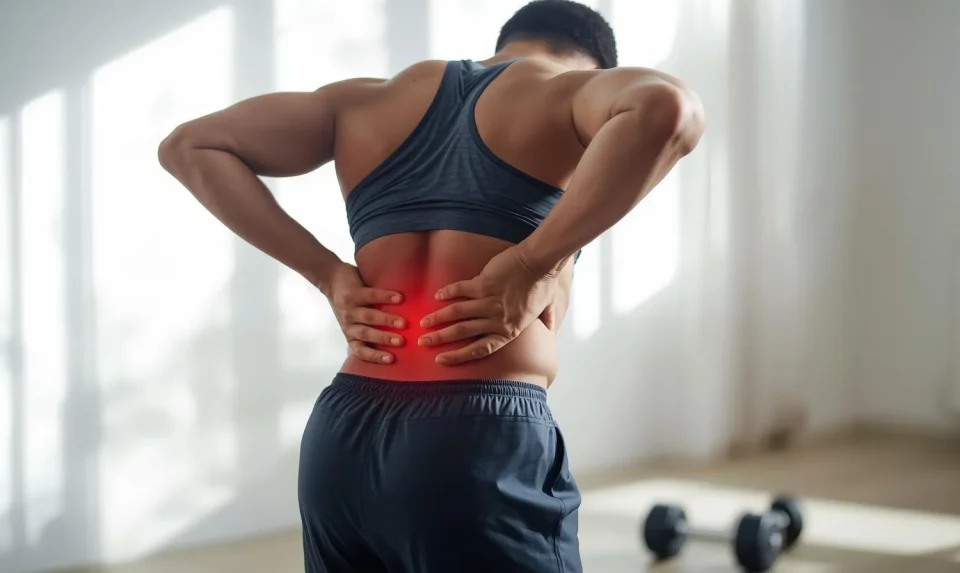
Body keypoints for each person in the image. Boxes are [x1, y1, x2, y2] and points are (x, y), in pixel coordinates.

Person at [158, 0, 704, 570]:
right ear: (596, 68)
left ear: (507, 40)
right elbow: (669, 108)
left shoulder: (365, 99)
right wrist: (530, 266)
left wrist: (327, 274)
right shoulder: (568, 91)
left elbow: (189, 146)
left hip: (340, 443)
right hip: (475, 441)